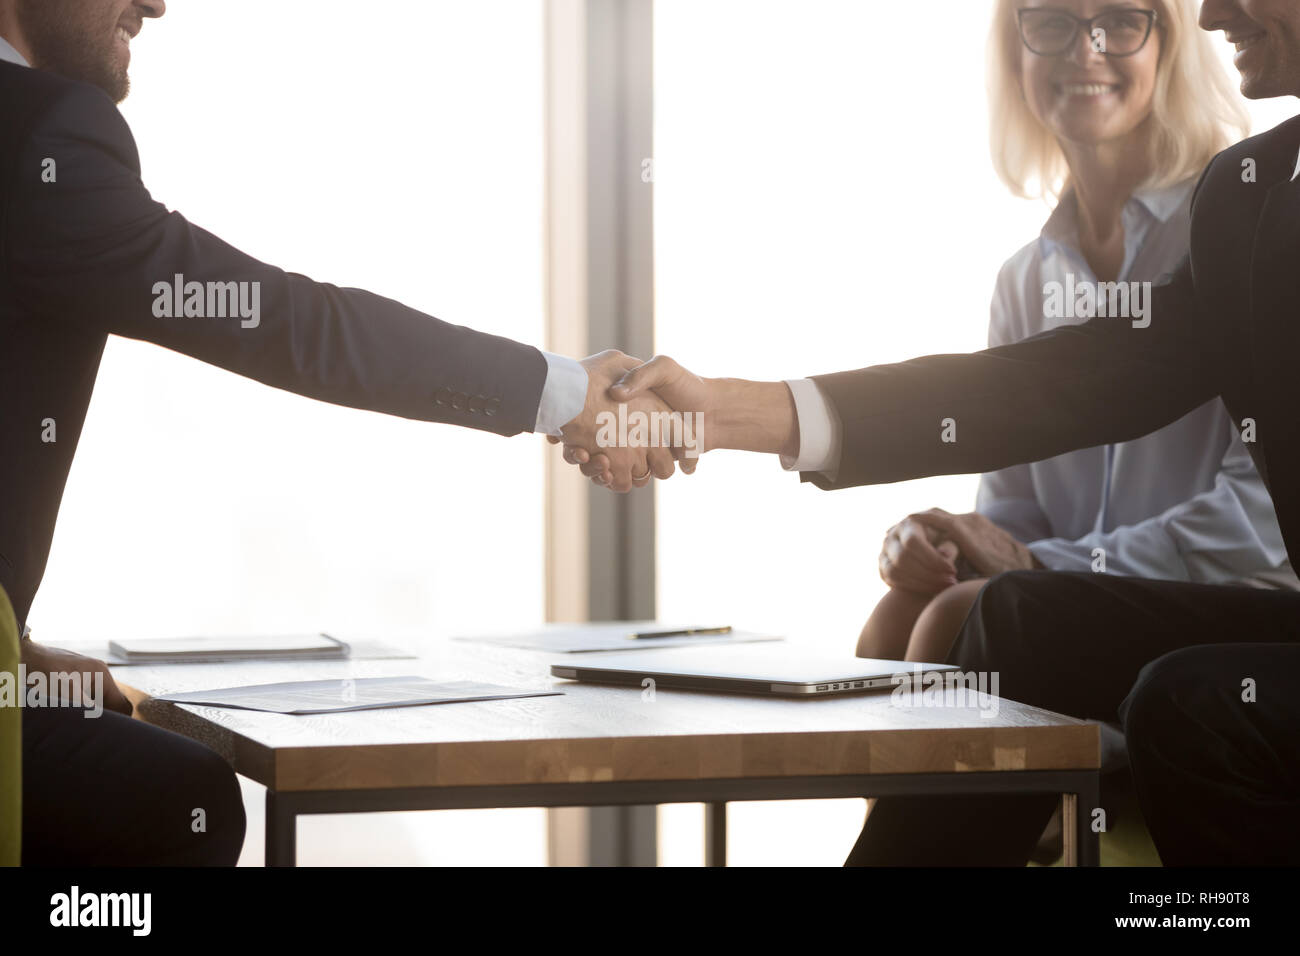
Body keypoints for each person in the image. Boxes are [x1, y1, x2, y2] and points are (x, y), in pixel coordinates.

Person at [567, 0, 1300, 868]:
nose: (1214, 11)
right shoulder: (1251, 200)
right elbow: (1073, 383)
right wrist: (720, 411)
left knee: (1185, 700)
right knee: (1002, 621)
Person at [0, 0, 678, 864]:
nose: (156, 3)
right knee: (173, 801)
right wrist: (566, 395)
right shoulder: (41, 134)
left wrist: (13, 650)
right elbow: (286, 324)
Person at [858, 0, 1294, 670]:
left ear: (1168, 48)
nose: (1084, 50)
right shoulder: (1023, 281)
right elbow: (1012, 515)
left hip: (1231, 602)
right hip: (1073, 602)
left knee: (955, 618)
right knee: (900, 617)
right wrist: (946, 544)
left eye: (1121, 20)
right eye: (1052, 22)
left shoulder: (1232, 230)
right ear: (1015, 53)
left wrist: (1036, 566)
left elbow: (1255, 527)